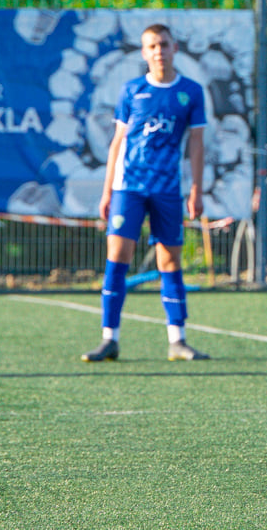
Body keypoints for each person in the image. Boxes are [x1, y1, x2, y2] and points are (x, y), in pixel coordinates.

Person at [81, 23, 210, 363]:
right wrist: (107, 192)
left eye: (164, 44)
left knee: (170, 261)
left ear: (175, 48)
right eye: (152, 46)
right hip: (128, 188)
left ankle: (178, 341)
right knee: (118, 258)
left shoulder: (191, 92)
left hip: (168, 189)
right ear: (144, 52)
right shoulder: (132, 90)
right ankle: (109, 338)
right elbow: (117, 144)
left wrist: (196, 189)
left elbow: (196, 145)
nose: (158, 51)